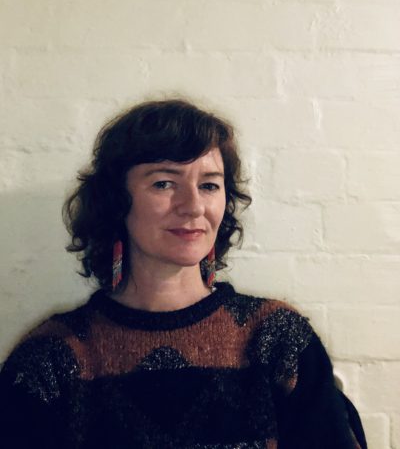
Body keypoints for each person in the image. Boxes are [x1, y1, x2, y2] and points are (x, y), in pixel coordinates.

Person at [0, 98, 367, 449]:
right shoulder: (52, 359)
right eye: (164, 183)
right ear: (115, 200)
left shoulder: (277, 340)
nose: (193, 206)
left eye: (209, 185)